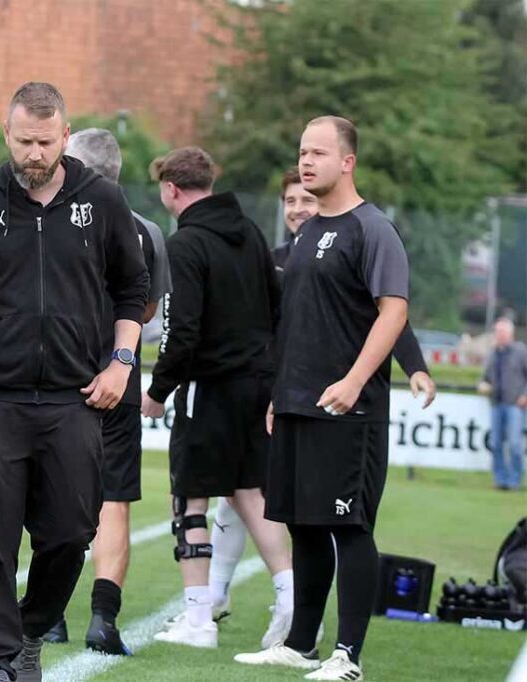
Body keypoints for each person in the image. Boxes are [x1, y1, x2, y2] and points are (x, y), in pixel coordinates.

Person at [0, 82, 149, 682]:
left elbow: (133, 291)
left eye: (45, 143)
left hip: (76, 398)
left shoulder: (102, 202)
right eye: (23, 142)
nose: (33, 155)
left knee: (72, 532)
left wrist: (120, 363)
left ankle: (29, 629)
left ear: (65, 136)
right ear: (7, 133)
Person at [208, 168, 437, 627]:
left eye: (304, 201)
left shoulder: (358, 237)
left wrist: (414, 367)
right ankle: (238, 606)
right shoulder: (278, 259)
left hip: (338, 407)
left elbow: (392, 314)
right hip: (280, 400)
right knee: (246, 503)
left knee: (335, 522)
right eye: (289, 202)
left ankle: (327, 636)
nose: (297, 209)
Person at [235, 116, 410, 680]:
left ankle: (348, 656)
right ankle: (300, 644)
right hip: (295, 403)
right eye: (302, 152)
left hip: (347, 410)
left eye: (318, 153)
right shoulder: (307, 232)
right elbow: (298, 322)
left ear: (347, 162)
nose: (307, 162)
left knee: (349, 526)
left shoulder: (372, 228)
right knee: (305, 525)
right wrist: (278, 393)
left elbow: (394, 311)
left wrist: (356, 379)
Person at [139, 147, 293, 650]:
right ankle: (289, 595)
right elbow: (276, 308)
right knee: (250, 492)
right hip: (256, 381)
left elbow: (181, 331)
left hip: (208, 387)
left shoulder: (185, 244)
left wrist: (159, 390)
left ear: (171, 189)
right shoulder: (249, 232)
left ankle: (199, 619)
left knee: (190, 496)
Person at [43, 128, 171, 654]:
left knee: (51, 492)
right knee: (114, 498)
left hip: (59, 370)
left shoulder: (49, 221)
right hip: (120, 371)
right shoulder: (148, 231)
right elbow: (145, 308)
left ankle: (50, 615)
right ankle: (103, 619)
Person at [478, 317, 527, 491]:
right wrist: (483, 386)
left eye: (502, 332)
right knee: (496, 444)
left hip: (515, 404)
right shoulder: (492, 355)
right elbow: (484, 378)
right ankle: (500, 480)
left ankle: (514, 481)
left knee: (515, 444)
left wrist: (525, 395)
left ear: (510, 334)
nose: (499, 335)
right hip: (496, 404)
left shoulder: (521, 352)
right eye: (497, 332)